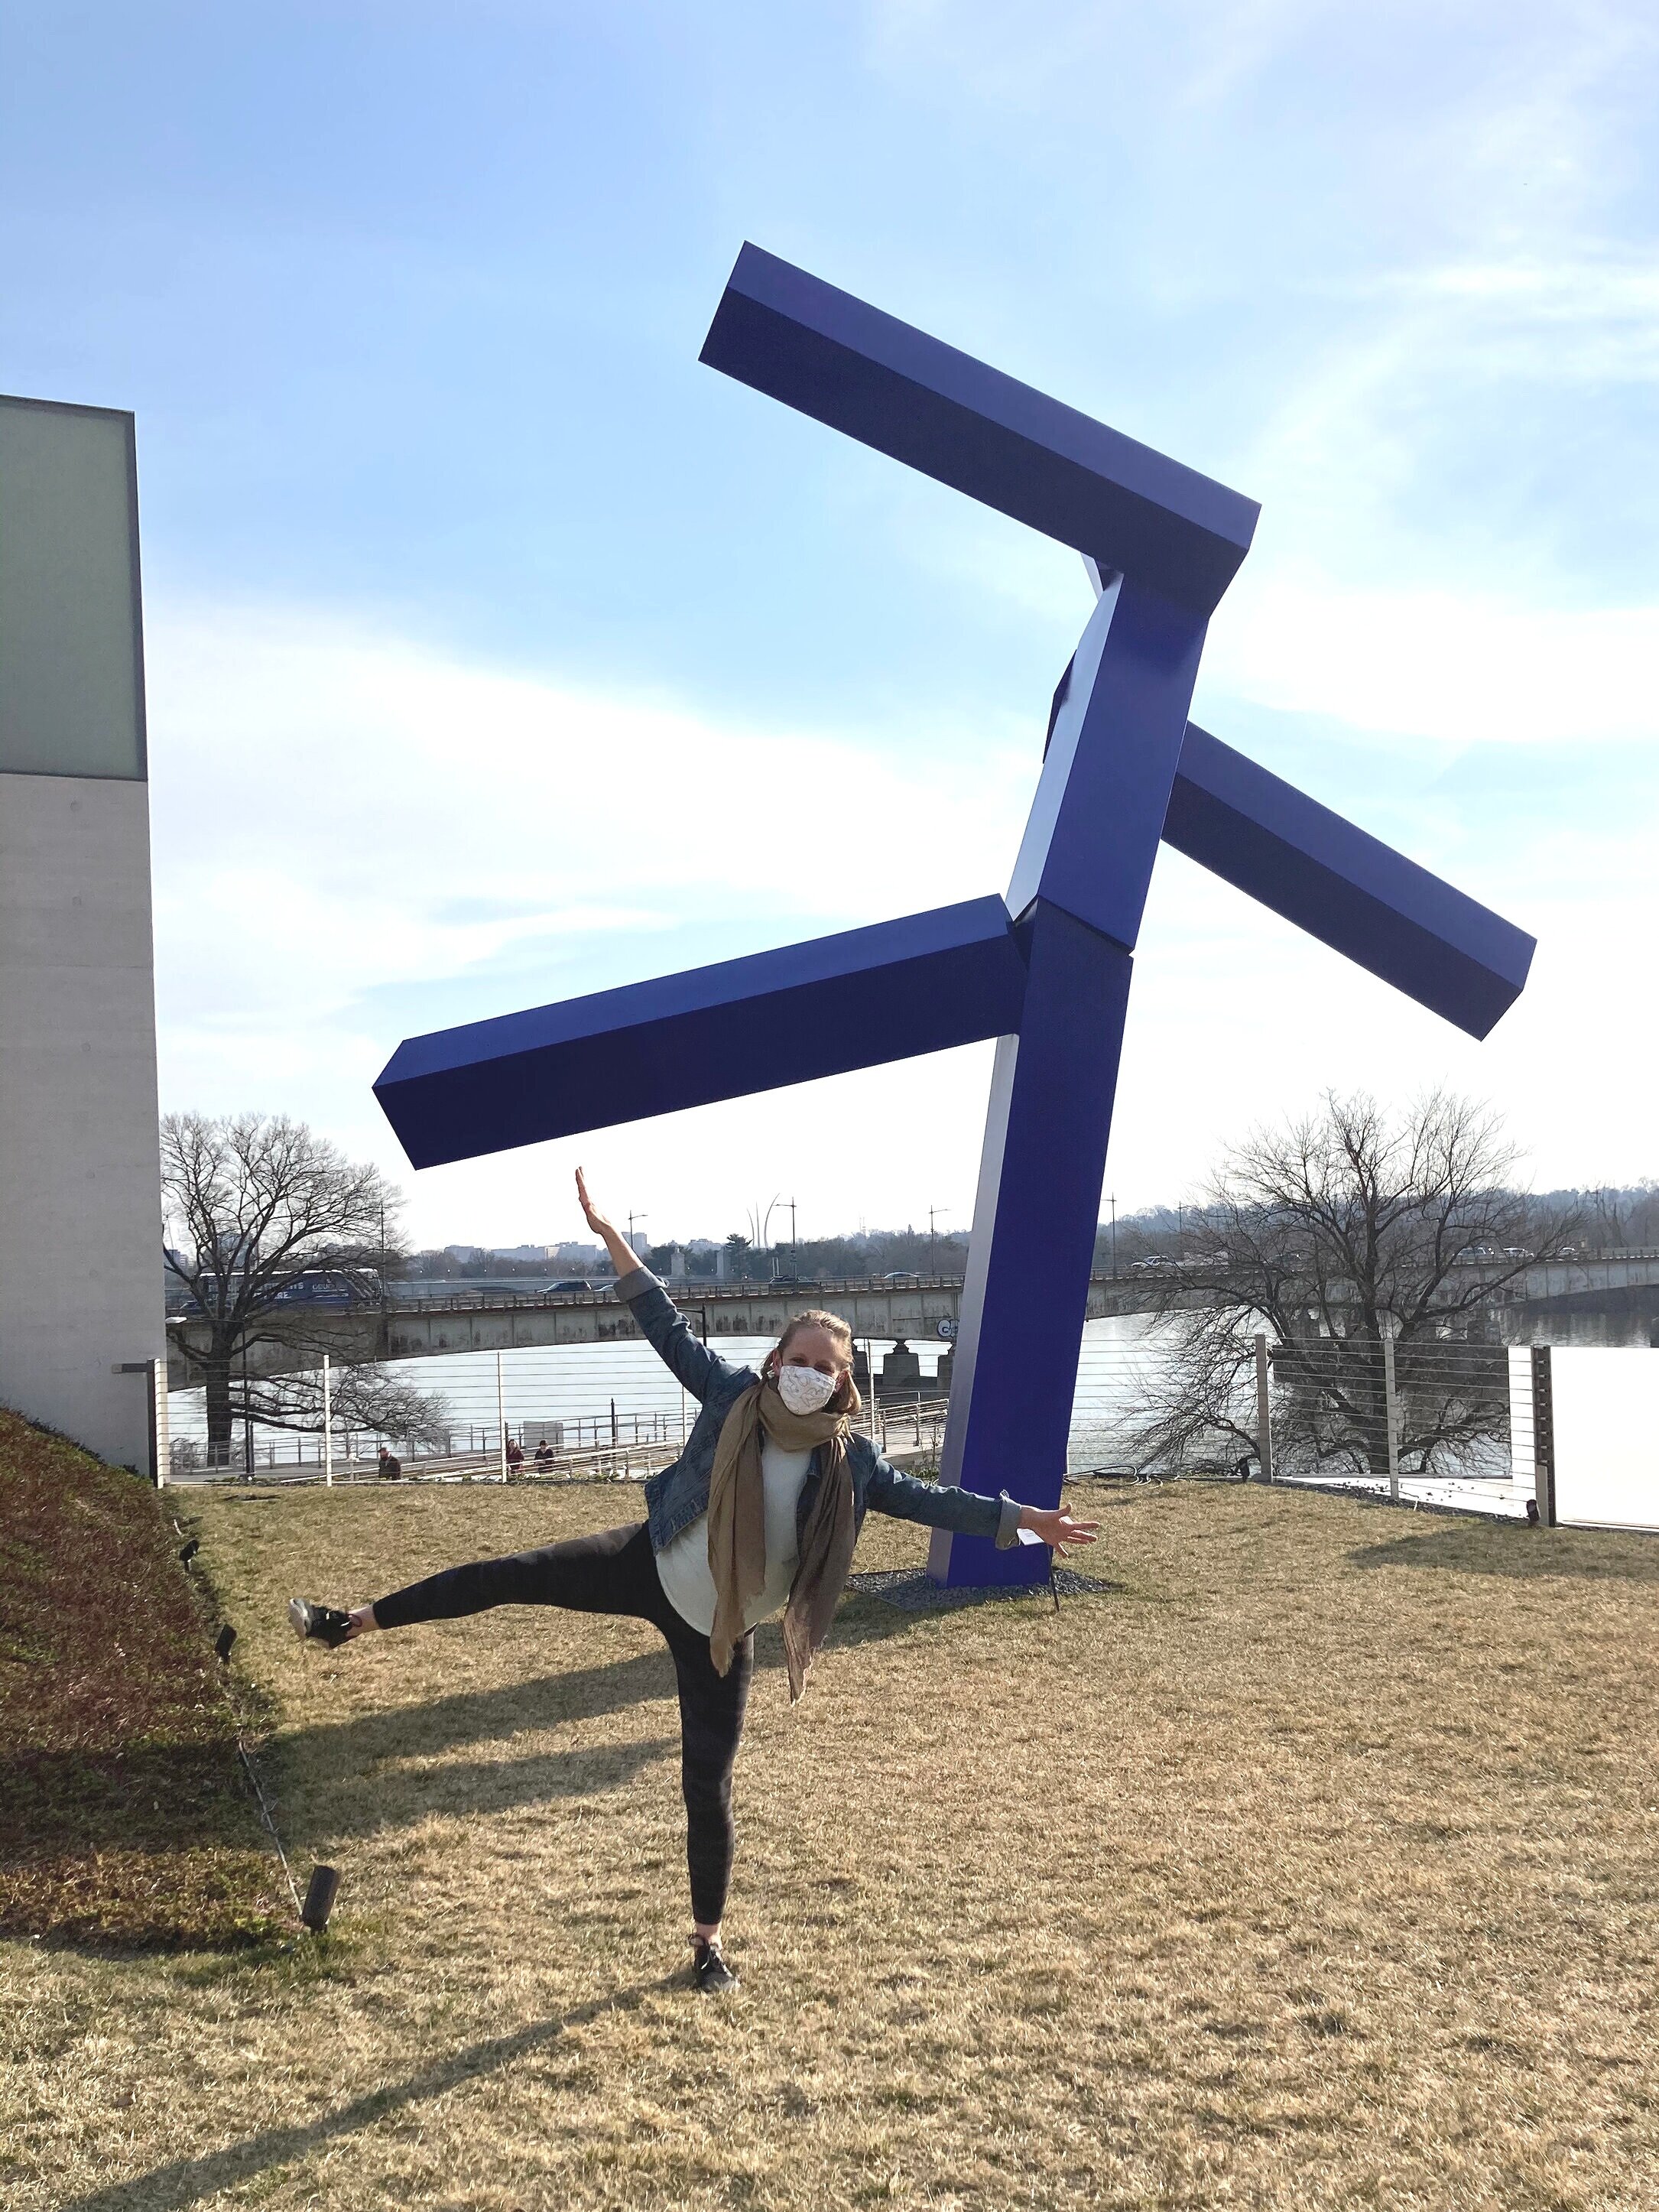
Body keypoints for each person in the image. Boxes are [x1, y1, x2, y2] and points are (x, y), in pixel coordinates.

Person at [288, 1168, 1098, 1995]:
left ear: (843, 1381)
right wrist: (609, 1238)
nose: (812, 1371)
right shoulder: (730, 1396)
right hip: (653, 1562)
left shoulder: (852, 1459)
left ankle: (707, 1946)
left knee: (705, 1784)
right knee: (510, 1574)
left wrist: (1028, 1520)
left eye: (828, 1366)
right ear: (775, 1359)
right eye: (800, 1358)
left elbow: (938, 1502)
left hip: (724, 1628)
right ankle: (351, 1622)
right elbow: (663, 1326)